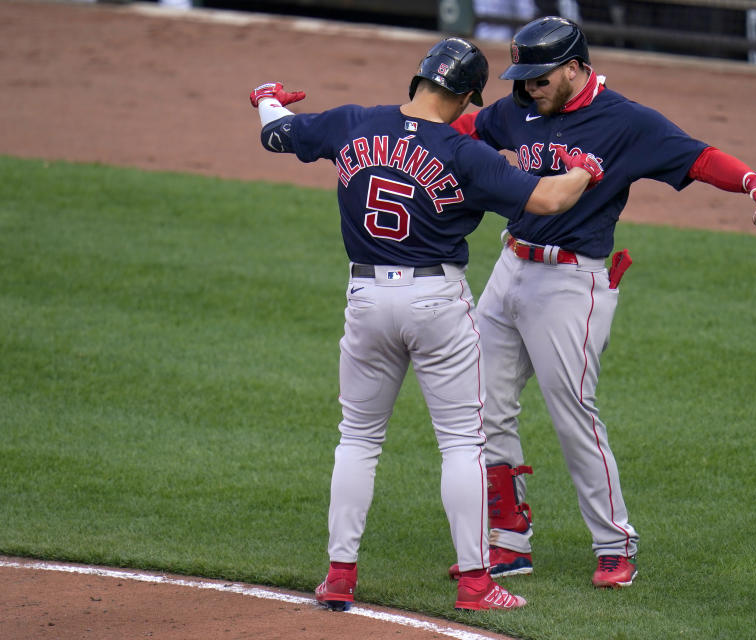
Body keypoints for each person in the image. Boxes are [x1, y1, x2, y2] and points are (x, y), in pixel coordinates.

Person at [248, 36, 603, 611]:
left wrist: (267, 97)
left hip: (365, 296)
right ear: (467, 97)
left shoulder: (351, 123)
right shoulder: (467, 154)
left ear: (418, 80)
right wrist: (585, 169)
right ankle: (475, 583)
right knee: (462, 443)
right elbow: (549, 200)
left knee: (358, 440)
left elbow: (275, 131)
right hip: (436, 301)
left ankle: (339, 576)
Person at [447, 16, 756, 589]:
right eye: (523, 78)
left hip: (570, 285)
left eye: (540, 78)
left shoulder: (627, 122)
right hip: (509, 269)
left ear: (577, 67)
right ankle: (507, 541)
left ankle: (615, 543)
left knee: (573, 413)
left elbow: (700, 158)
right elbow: (467, 126)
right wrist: (413, 131)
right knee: (484, 405)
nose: (529, 88)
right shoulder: (518, 108)